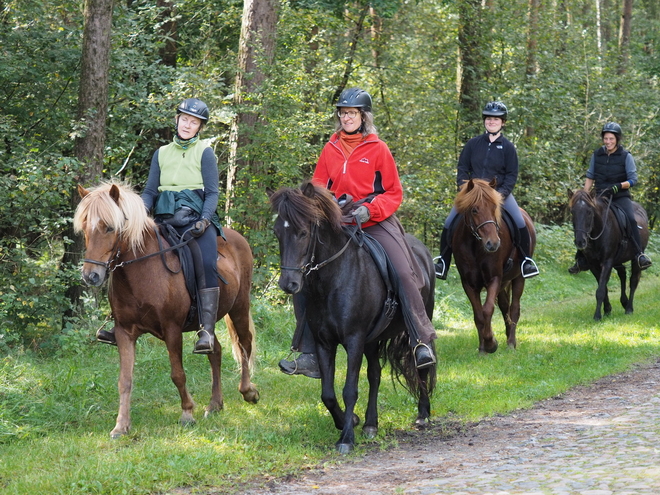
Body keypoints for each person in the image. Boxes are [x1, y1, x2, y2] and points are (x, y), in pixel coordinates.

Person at [278, 87, 437, 378]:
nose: (346, 117)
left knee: (402, 271)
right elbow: (317, 188)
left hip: (375, 218)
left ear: (363, 117)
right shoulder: (330, 148)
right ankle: (309, 352)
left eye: (351, 113)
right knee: (304, 275)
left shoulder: (378, 148)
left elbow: (393, 192)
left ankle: (420, 340)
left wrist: (371, 210)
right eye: (342, 113)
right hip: (337, 220)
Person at [97, 97, 223, 354]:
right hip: (164, 219)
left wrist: (205, 219)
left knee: (207, 261)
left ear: (200, 127)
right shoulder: (161, 153)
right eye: (185, 119)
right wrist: (137, 217)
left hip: (195, 220)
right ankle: (116, 318)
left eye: (194, 122)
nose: (188, 125)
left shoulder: (205, 152)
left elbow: (212, 192)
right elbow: (150, 191)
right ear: (177, 119)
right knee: (121, 253)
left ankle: (206, 329)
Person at [434, 101, 539, 280]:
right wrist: (464, 189)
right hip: (472, 197)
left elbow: (512, 174)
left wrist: (500, 195)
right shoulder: (473, 144)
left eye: (496, 119)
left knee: (519, 222)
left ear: (503, 122)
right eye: (489, 119)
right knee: (449, 222)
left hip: (498, 195)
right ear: (484, 121)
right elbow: (462, 168)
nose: (492, 122)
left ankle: (525, 261)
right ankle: (443, 261)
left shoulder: (508, 147)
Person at [568, 122, 652, 273]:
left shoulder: (626, 156)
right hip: (599, 195)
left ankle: (640, 254)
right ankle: (581, 258)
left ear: (617, 139)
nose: (608, 142)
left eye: (611, 139)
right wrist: (585, 195)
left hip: (620, 196)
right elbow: (590, 175)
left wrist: (619, 186)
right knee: (585, 218)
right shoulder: (597, 154)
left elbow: (633, 180)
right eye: (606, 138)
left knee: (631, 219)